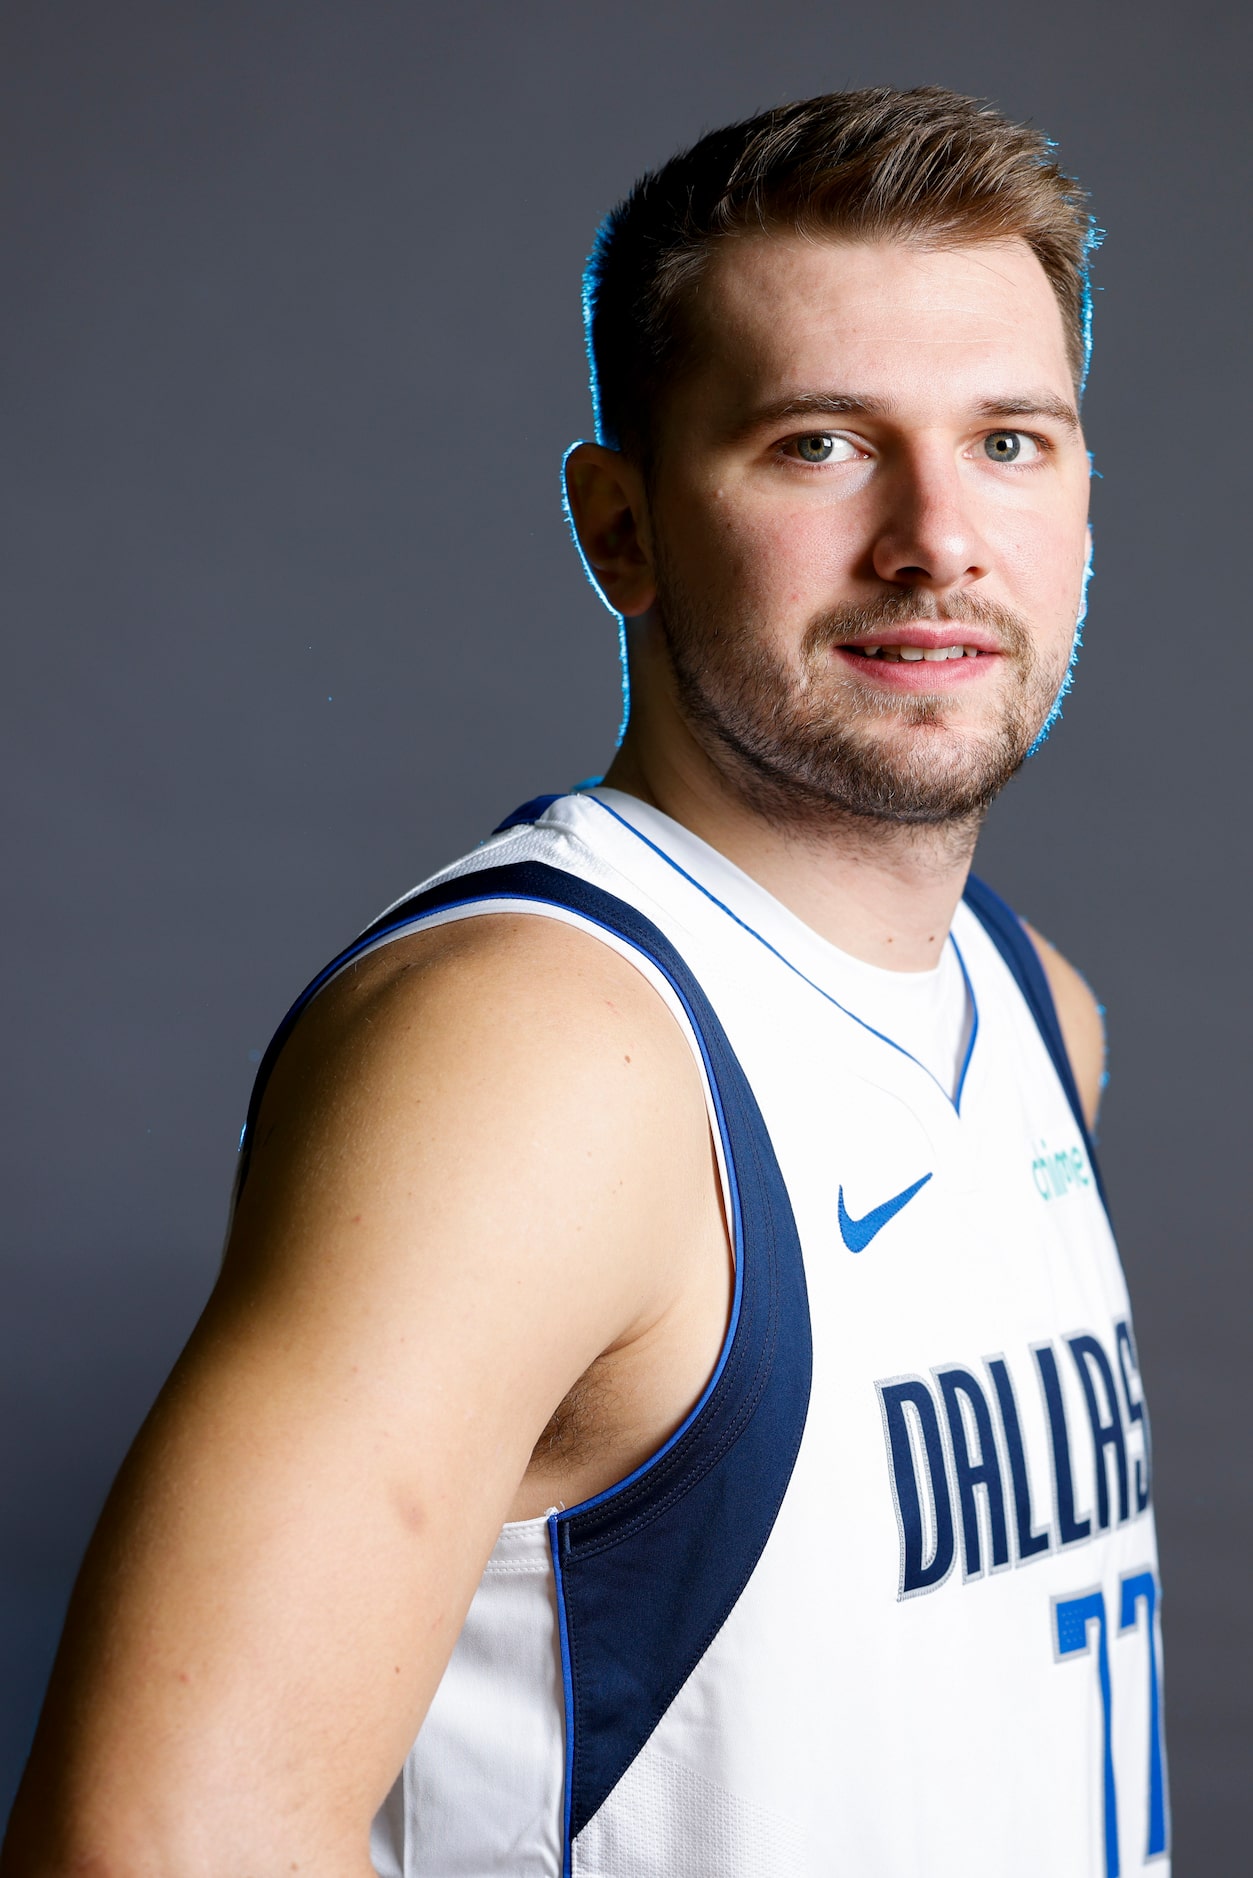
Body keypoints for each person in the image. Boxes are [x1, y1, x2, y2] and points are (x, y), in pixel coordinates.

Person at [3, 86, 1167, 1877]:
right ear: (618, 528)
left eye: (1010, 440)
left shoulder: (1033, 1008)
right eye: (818, 444)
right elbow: (159, 1842)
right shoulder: (540, 1054)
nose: (937, 532)